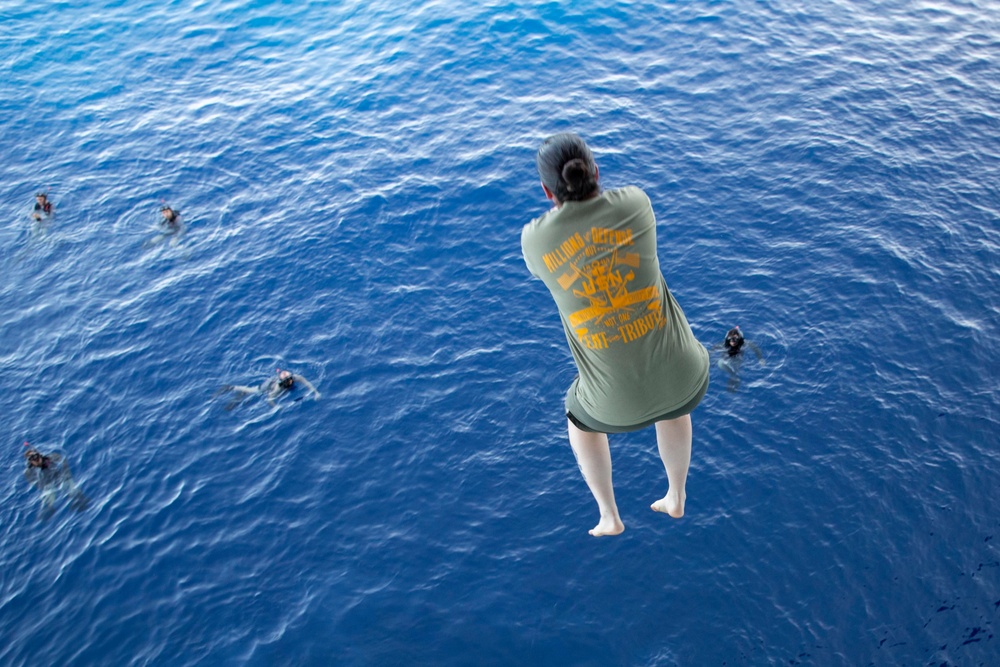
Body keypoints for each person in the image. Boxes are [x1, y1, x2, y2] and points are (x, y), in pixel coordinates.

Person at [521, 132, 710, 537]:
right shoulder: (636, 203)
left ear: (545, 191)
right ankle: (676, 494)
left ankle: (609, 516)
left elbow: (550, 264)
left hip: (612, 404)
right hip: (685, 374)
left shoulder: (535, 240)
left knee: (579, 420)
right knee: (673, 405)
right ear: (596, 171)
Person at [23, 444, 90, 520]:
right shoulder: (29, 472)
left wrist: (67, 476)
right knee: (48, 503)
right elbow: (35, 483)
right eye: (32, 459)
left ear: (39, 454)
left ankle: (81, 505)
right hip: (48, 484)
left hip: (60, 477)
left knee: (74, 491)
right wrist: (45, 487)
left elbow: (63, 463)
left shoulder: (52, 457)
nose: (36, 459)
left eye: (36, 456)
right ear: (30, 462)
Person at [217, 368, 320, 411]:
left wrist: (316, 392)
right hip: (265, 388)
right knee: (252, 391)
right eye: (288, 380)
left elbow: (307, 383)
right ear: (283, 381)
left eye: (290, 378)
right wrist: (276, 407)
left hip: (275, 385)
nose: (291, 380)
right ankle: (231, 387)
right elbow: (269, 399)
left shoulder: (296, 377)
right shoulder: (278, 388)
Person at [713, 325, 764, 392]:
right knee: (721, 363)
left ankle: (734, 381)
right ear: (728, 339)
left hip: (737, 358)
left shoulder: (744, 343)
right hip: (726, 358)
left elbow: (755, 348)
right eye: (731, 339)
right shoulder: (723, 344)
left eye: (735, 339)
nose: (733, 342)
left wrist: (760, 359)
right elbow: (713, 350)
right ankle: (733, 377)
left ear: (739, 339)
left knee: (735, 371)